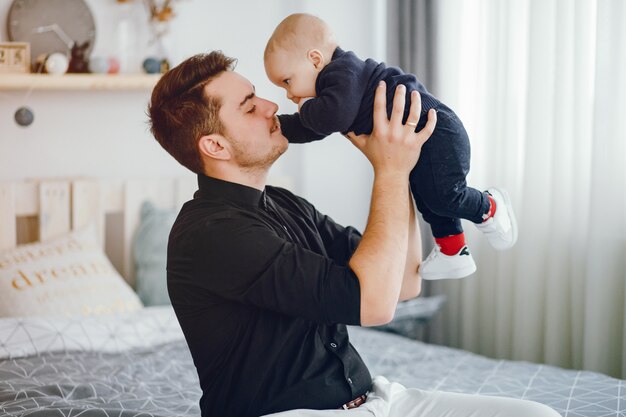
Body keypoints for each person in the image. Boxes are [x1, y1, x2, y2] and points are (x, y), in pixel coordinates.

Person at [147, 51, 559, 417]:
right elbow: (374, 305)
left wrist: (407, 165)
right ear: (215, 145)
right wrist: (390, 171)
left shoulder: (285, 203)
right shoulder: (212, 235)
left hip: (374, 398)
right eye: (250, 106)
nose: (273, 105)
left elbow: (403, 282)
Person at [264, 13, 518, 280]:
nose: (290, 95)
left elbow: (331, 117)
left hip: (438, 130)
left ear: (315, 60)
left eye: (287, 81)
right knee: (427, 198)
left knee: (444, 196)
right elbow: (318, 126)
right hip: (421, 139)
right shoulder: (338, 89)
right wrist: (281, 127)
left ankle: (489, 206)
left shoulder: (342, 71)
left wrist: (304, 107)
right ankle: (452, 250)